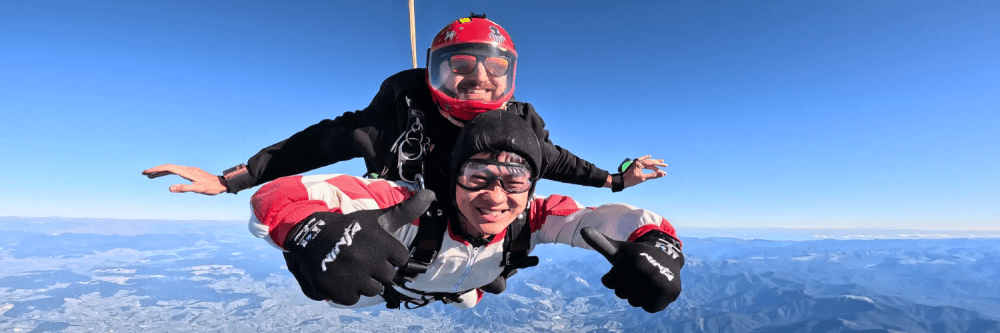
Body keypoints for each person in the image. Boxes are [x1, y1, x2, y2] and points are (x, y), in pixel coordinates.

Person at [142, 13, 667, 212]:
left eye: (492, 70)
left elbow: (556, 162)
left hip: (475, 235)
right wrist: (230, 179)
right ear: (433, 72)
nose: (478, 81)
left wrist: (618, 180)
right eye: (459, 68)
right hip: (402, 228)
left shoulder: (521, 127)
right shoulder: (395, 118)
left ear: (510, 77)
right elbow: (315, 143)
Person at [248, 109, 684, 313]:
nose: (496, 198)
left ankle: (465, 288)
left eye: (514, 182)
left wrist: (660, 245)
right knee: (345, 301)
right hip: (387, 287)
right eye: (478, 177)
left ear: (531, 185)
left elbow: (606, 219)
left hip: (463, 287)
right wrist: (312, 229)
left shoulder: (532, 217)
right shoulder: (407, 205)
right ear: (453, 177)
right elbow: (282, 194)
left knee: (472, 297)